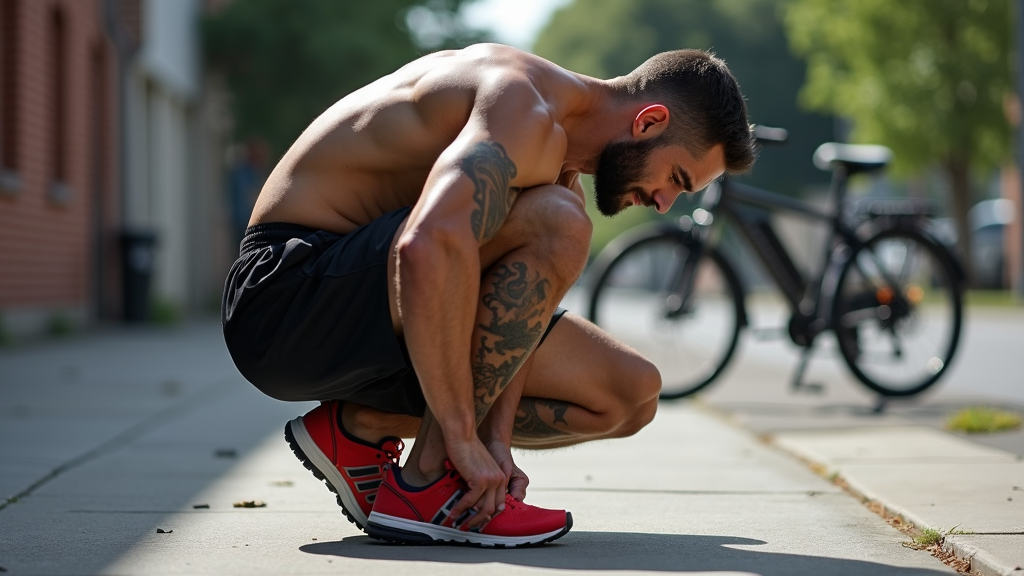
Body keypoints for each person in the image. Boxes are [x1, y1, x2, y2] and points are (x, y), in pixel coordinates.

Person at [221, 44, 755, 547]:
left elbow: (511, 311)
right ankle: (428, 482)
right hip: (285, 298)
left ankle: (359, 429)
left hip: (378, 306)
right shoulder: (520, 103)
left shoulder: (560, 167)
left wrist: (495, 443)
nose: (664, 203)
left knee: (629, 396)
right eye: (676, 178)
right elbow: (425, 244)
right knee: (562, 224)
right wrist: (461, 440)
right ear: (650, 121)